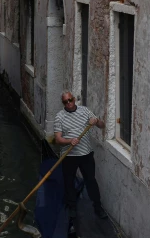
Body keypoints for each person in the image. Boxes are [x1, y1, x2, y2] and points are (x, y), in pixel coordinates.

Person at [52, 91, 108, 220]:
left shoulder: (85, 111)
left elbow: (102, 126)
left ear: (74, 99)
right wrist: (69, 141)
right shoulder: (59, 117)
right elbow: (58, 139)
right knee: (69, 182)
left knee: (91, 181)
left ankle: (97, 207)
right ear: (63, 103)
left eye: (70, 100)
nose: (69, 103)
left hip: (86, 155)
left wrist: (96, 121)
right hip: (69, 156)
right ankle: (72, 207)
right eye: (66, 102)